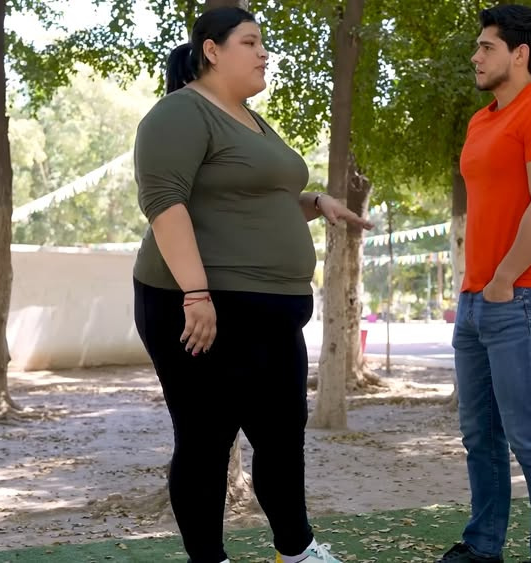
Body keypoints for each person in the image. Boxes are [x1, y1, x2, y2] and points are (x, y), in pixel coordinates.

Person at [131, 7, 372, 563]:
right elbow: (164, 203)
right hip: (200, 307)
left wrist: (315, 202)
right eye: (250, 42)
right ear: (212, 51)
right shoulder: (179, 113)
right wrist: (196, 294)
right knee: (207, 439)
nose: (264, 53)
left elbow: (249, 197)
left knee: (282, 437)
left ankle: (297, 551)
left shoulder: (249, 119)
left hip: (273, 314)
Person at [438, 5, 531, 563]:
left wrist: (502, 278)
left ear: (519, 54)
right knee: (480, 436)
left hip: (522, 298)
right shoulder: (481, 121)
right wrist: (479, 286)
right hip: (476, 300)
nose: (475, 56)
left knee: (530, 437)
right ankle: (483, 545)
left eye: (486, 46)